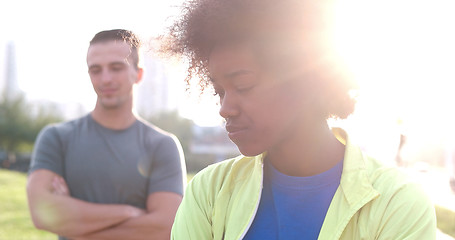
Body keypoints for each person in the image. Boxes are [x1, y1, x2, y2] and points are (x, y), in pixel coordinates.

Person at [162, 0, 437, 239]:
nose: (225, 108)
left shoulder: (397, 202)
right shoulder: (209, 192)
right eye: (218, 91)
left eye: (243, 86)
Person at [27, 29, 186, 240]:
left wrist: (75, 226)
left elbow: (165, 228)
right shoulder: (56, 137)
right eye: (96, 70)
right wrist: (128, 212)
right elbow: (42, 213)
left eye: (116, 67)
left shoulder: (162, 145)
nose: (105, 79)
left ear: (138, 74)